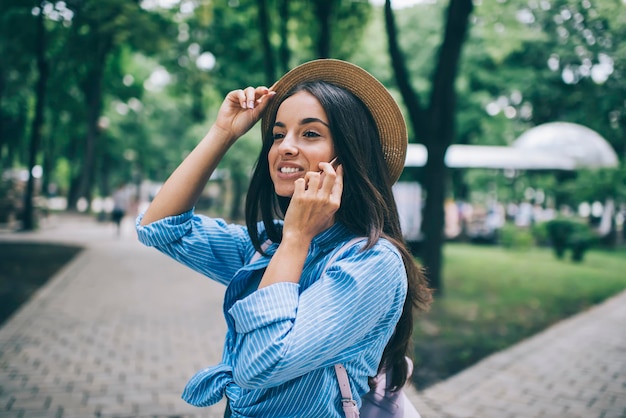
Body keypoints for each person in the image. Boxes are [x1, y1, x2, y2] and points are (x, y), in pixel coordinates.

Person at [136, 59, 432, 417]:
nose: (285, 147)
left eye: (310, 133)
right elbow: (161, 228)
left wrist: (296, 238)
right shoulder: (267, 246)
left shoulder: (372, 263)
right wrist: (223, 133)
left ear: (351, 155)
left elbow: (261, 364)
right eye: (278, 134)